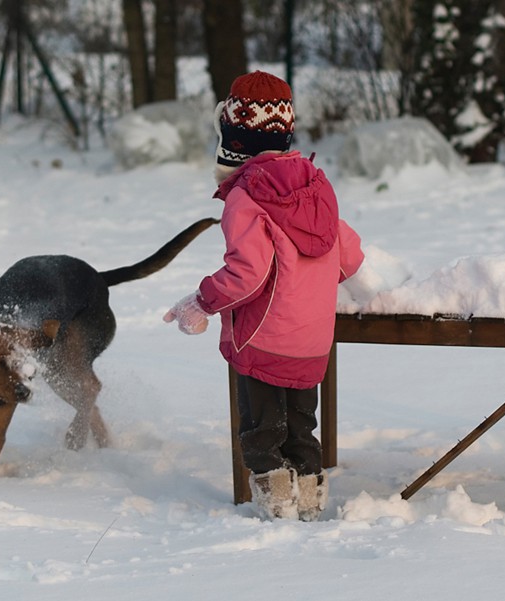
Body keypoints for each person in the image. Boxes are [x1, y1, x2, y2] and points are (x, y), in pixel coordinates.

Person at [163, 71, 364, 521]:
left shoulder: (247, 196)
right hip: (311, 342)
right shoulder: (317, 188)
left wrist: (202, 299)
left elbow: (247, 275)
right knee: (300, 429)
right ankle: (310, 507)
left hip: (262, 339)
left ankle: (276, 519)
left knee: (262, 433)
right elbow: (348, 258)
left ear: (231, 135)